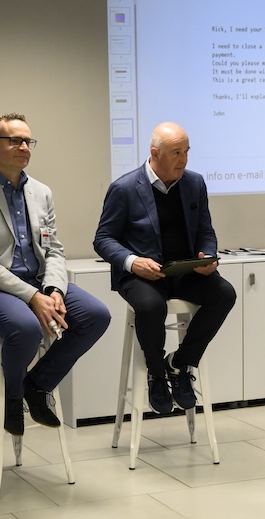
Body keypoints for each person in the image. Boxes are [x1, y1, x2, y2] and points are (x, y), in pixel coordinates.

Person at [0, 113, 110, 435]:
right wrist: (33, 297)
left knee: (95, 315)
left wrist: (54, 290)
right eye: (14, 141)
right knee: (26, 327)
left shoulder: (41, 192)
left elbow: (54, 250)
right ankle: (13, 399)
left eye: (27, 141)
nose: (24, 147)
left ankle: (36, 384)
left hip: (37, 282)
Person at [93, 121, 236, 414]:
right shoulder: (124, 188)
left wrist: (208, 256)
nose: (183, 159)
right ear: (155, 153)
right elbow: (103, 239)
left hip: (185, 271)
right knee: (150, 307)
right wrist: (133, 262)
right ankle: (156, 373)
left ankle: (180, 363)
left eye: (186, 152)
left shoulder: (194, 183)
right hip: (142, 274)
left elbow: (205, 231)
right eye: (176, 153)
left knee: (225, 294)